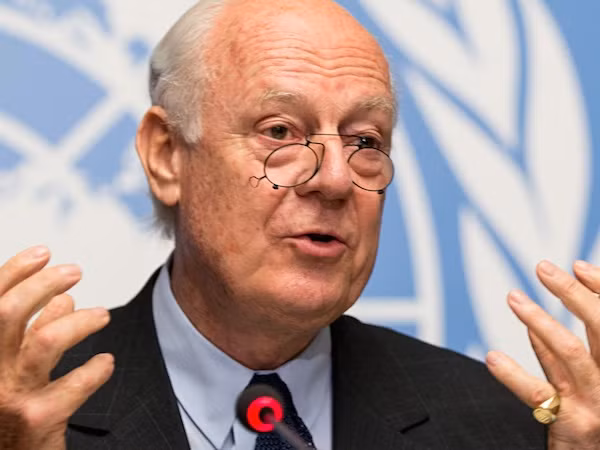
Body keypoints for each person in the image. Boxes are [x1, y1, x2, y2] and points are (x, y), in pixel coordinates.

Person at [2, 0, 600, 448]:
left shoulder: (501, 426)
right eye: (280, 131)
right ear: (167, 155)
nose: (335, 180)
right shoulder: (27, 416)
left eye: (365, 141)